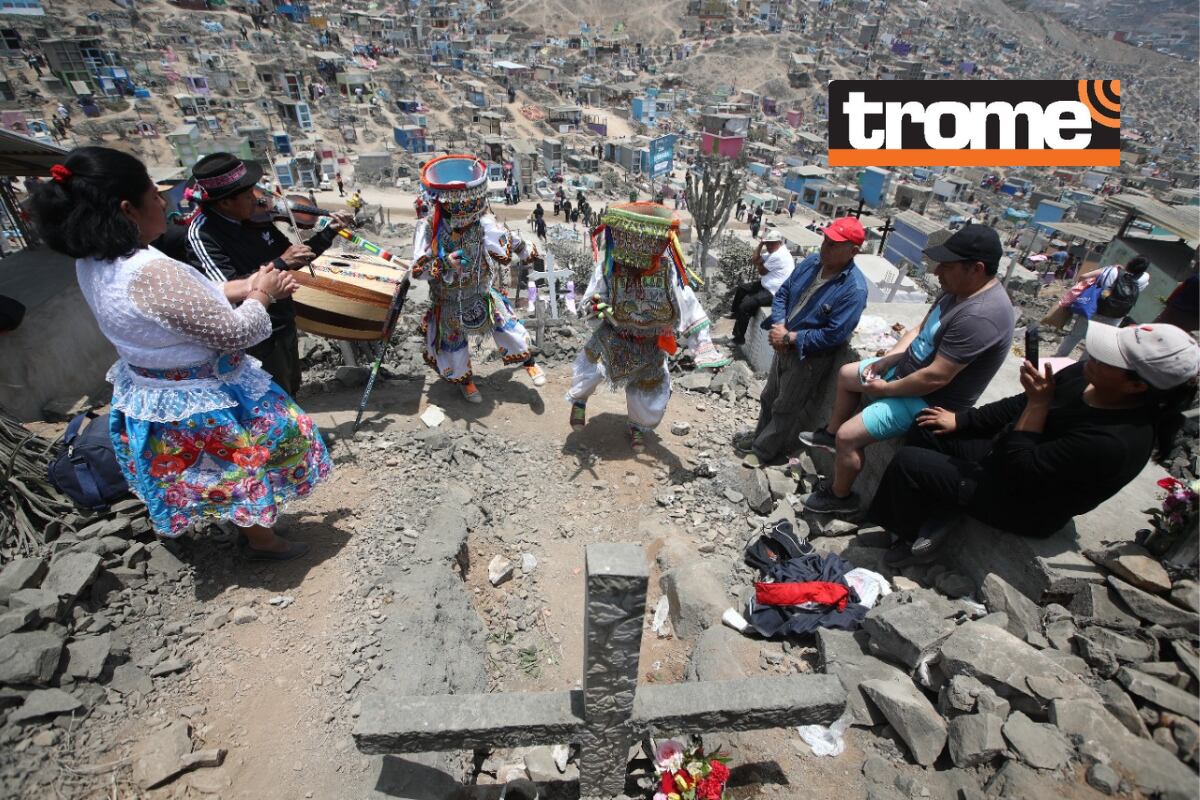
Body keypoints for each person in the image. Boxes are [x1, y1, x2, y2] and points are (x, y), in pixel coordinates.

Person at [29, 147, 331, 558]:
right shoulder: (153, 271)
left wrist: (240, 288)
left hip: (158, 394)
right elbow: (235, 332)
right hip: (201, 398)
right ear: (127, 209)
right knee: (243, 461)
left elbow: (184, 303)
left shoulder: (96, 262)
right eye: (154, 194)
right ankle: (263, 540)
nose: (163, 202)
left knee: (213, 468)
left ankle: (247, 527)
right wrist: (262, 295)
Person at [871, 324, 1200, 564]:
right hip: (1006, 457)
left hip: (1024, 502)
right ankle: (944, 502)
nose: (1094, 356)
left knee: (910, 463)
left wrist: (1039, 405)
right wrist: (961, 421)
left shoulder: (1116, 442)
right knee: (929, 424)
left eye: (1110, 359)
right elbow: (1019, 404)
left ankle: (909, 535)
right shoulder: (1087, 375)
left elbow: (1019, 469)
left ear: (1136, 386)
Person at [799, 223, 1015, 514]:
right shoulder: (957, 290)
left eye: (946, 266)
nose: (937, 273)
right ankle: (830, 434)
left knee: (849, 437)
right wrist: (889, 359)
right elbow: (918, 330)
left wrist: (886, 389)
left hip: (928, 399)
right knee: (847, 374)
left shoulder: (981, 315)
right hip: (906, 371)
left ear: (976, 269)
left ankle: (840, 498)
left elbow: (936, 377)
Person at [186, 152, 351, 396]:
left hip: (283, 321)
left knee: (290, 387)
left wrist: (329, 233)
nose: (257, 200)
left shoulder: (254, 221)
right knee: (270, 398)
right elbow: (227, 290)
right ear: (225, 203)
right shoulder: (203, 234)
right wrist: (281, 262)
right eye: (247, 195)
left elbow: (295, 257)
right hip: (255, 339)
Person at [568, 203, 729, 451]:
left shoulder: (669, 271)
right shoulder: (610, 266)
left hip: (650, 342)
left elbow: (688, 303)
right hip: (613, 335)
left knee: (648, 391)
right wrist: (594, 306)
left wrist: (702, 343)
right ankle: (579, 402)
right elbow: (593, 295)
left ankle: (638, 426)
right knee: (591, 370)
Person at [411, 154, 546, 403]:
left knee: (506, 324)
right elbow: (417, 270)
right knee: (454, 341)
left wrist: (524, 250)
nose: (467, 209)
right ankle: (466, 381)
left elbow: (505, 239)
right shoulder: (429, 226)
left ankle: (529, 361)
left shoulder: (482, 221)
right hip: (448, 298)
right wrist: (443, 262)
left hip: (480, 292)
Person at [738, 218, 869, 467]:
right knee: (769, 396)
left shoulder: (854, 290)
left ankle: (764, 451)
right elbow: (784, 292)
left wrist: (790, 337)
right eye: (826, 240)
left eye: (834, 244)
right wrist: (779, 326)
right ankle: (759, 438)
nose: (825, 247)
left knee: (786, 406)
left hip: (807, 357)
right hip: (782, 342)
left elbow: (834, 334)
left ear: (853, 251)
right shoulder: (812, 262)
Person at [1055, 256, 1151, 357]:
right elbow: (1146, 275)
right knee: (1094, 343)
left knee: (1075, 335)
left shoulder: (1112, 270)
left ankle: (1059, 357)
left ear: (1130, 262)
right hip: (1115, 317)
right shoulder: (1143, 279)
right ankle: (1081, 367)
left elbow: (1083, 276)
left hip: (1095, 310)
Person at [730, 229, 794, 346]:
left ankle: (739, 338)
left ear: (779, 242)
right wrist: (760, 245)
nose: (769, 245)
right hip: (765, 285)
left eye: (771, 243)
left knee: (745, 306)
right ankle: (735, 313)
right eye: (767, 243)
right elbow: (754, 259)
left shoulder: (779, 255)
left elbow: (761, 271)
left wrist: (760, 262)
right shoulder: (773, 253)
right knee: (741, 288)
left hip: (774, 292)